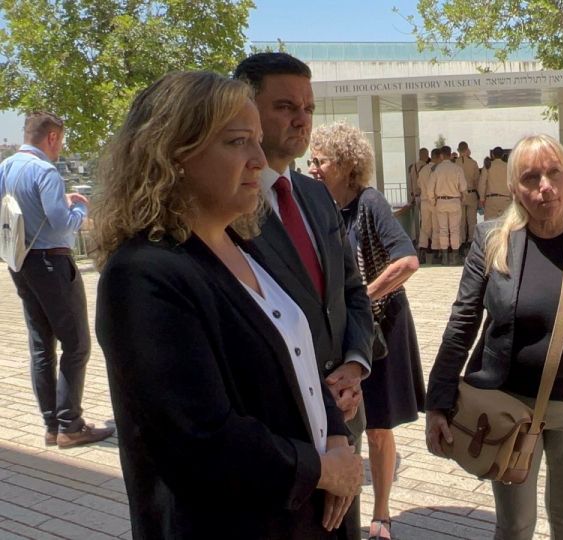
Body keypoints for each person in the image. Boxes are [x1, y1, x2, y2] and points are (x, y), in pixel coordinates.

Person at [93, 71, 362, 539]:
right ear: (173, 154)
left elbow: (302, 359)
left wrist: (336, 437)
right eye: (239, 142)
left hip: (306, 515)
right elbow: (201, 439)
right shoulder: (144, 274)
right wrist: (321, 469)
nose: (260, 159)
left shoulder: (246, 243)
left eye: (258, 140)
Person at [426, 134, 563, 540]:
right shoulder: (492, 240)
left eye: (554, 173)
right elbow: (462, 321)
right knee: (516, 524)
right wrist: (439, 400)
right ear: (514, 187)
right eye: (531, 177)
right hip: (507, 407)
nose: (545, 187)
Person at [234, 52, 374, 540]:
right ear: (246, 108)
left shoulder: (317, 196)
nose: (301, 119)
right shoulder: (229, 206)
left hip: (345, 417)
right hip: (281, 433)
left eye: (309, 108)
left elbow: (351, 293)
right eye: (284, 106)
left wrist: (354, 366)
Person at [311, 122, 426, 540]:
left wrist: (359, 298)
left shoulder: (369, 201)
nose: (313, 167)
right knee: (342, 421)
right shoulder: (319, 205)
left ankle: (381, 515)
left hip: (382, 332)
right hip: (343, 335)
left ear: (344, 164)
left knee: (377, 426)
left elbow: (407, 262)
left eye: (320, 160)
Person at [0, 112, 113, 449]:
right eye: (61, 141)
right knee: (76, 344)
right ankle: (70, 425)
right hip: (53, 263)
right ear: (51, 137)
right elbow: (63, 224)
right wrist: (80, 209)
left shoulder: (5, 168)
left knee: (41, 346)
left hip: (20, 263)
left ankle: (52, 425)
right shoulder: (45, 171)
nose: (60, 148)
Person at [427, 145, 466, 265]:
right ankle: (454, 257)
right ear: (450, 154)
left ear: (442, 156)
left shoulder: (436, 169)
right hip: (454, 201)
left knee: (443, 229)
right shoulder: (457, 169)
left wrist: (434, 201)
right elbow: (463, 187)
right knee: (455, 230)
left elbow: (430, 189)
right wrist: (462, 200)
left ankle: (444, 257)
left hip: (441, 202)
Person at [416, 148, 442, 264]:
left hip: (424, 201)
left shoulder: (423, 170)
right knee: (436, 227)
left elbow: (419, 184)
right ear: (438, 157)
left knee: (425, 227)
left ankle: (422, 252)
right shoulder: (438, 170)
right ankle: (436, 253)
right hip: (435, 202)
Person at [457, 141, 481, 253]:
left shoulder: (455, 163)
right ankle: (471, 242)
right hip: (471, 193)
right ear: (467, 149)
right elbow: (477, 181)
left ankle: (461, 242)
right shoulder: (473, 163)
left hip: (459, 195)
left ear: (458, 150)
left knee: (460, 221)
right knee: (472, 220)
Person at [479, 146, 511, 219]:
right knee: (505, 224)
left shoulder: (488, 166)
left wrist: (482, 198)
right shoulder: (508, 166)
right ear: (503, 155)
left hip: (491, 200)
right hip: (505, 199)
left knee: (489, 226)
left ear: (493, 155)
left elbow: (482, 183)